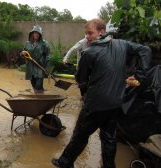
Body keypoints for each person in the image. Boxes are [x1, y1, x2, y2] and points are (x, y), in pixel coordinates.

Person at [52, 19, 151, 168]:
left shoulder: (89, 52)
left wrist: (87, 75)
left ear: (102, 31)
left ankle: (65, 162)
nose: (87, 37)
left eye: (90, 33)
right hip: (115, 102)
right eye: (86, 33)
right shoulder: (122, 44)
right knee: (109, 138)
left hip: (95, 105)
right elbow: (146, 50)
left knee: (80, 134)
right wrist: (140, 75)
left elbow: (80, 79)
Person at [21, 25, 50, 94]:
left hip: (39, 67)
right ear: (32, 34)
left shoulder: (44, 44)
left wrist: (47, 67)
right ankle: (39, 98)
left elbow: (48, 56)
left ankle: (40, 98)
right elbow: (24, 53)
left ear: (40, 35)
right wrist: (22, 53)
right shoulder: (27, 43)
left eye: (38, 33)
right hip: (30, 68)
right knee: (34, 86)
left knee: (38, 85)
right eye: (35, 33)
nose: (36, 34)